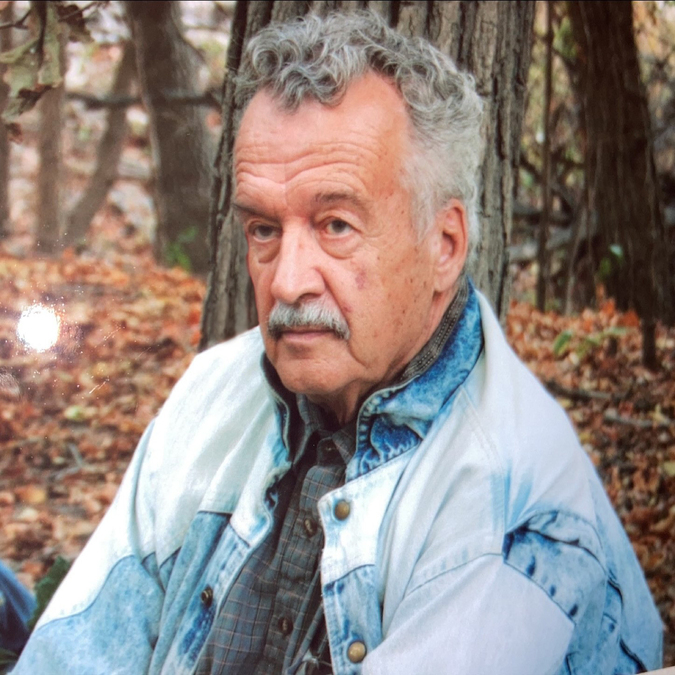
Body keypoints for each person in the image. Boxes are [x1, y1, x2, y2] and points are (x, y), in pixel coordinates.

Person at [14, 11, 662, 675]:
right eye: (264, 229)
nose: (287, 280)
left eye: (336, 226)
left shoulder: (512, 509)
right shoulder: (214, 393)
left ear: (444, 245)